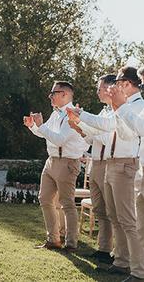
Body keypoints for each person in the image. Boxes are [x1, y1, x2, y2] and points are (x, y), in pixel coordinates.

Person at [24, 81, 89, 251]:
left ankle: (71, 242)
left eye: (53, 93)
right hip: (51, 161)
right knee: (44, 199)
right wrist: (33, 126)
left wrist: (41, 125)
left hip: (67, 162)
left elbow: (59, 139)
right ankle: (53, 239)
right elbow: (48, 135)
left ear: (65, 95)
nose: (50, 96)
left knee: (67, 203)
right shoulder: (55, 114)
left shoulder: (72, 114)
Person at [67, 74, 115, 264]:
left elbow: (106, 139)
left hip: (108, 164)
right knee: (100, 209)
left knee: (112, 211)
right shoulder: (103, 113)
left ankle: (117, 253)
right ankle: (103, 249)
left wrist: (84, 122)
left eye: (100, 88)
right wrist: (81, 128)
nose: (97, 91)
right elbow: (91, 141)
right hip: (95, 163)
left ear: (111, 88)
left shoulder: (115, 114)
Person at [107, 66, 144, 281]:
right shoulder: (130, 107)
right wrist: (118, 108)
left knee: (132, 222)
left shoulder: (137, 106)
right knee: (139, 225)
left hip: (128, 167)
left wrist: (120, 108)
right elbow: (125, 133)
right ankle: (138, 273)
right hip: (141, 171)